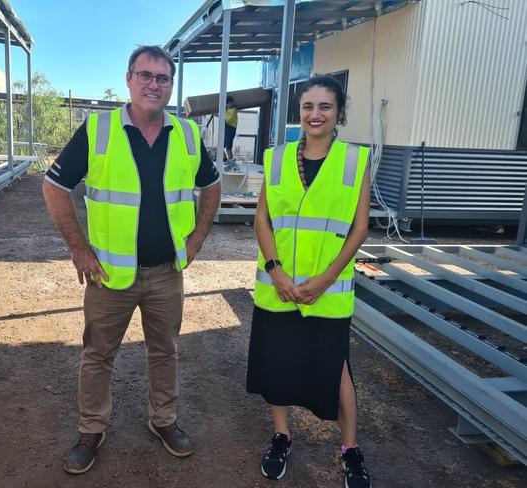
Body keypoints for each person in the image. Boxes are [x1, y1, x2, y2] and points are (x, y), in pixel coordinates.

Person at [43, 45, 221, 475]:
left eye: (162, 78)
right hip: (109, 275)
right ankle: (91, 430)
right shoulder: (98, 129)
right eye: (145, 75)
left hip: (166, 274)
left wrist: (197, 238)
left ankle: (164, 421)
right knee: (98, 355)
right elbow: (54, 187)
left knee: (165, 352)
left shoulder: (188, 134)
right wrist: (79, 248)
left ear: (171, 86)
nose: (153, 85)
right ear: (128, 79)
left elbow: (211, 187)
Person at [246, 75, 372, 487]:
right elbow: (262, 218)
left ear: (339, 113)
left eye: (325, 107)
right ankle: (281, 436)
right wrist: (275, 269)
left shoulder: (355, 160)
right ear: (298, 111)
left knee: (336, 372)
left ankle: (350, 450)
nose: (315, 115)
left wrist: (326, 277)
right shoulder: (277, 157)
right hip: (278, 288)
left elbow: (359, 228)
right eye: (307, 107)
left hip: (328, 292)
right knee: (278, 366)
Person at [224, 95, 238, 162]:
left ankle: (231, 161)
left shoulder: (233, 110)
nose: (227, 105)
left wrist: (218, 115)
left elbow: (228, 120)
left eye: (227, 104)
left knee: (228, 148)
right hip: (227, 130)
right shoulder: (228, 109)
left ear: (231, 103)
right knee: (221, 146)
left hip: (230, 129)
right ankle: (225, 160)